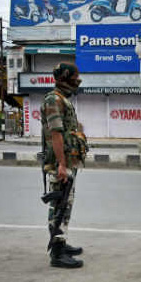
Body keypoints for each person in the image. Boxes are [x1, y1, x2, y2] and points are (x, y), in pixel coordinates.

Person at [40, 62, 87, 269]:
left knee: (66, 203)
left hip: (69, 160)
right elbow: (56, 133)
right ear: (65, 77)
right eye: (75, 76)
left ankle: (61, 242)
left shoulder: (63, 99)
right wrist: (61, 164)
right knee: (59, 205)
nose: (78, 80)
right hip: (61, 162)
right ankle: (57, 254)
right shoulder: (53, 99)